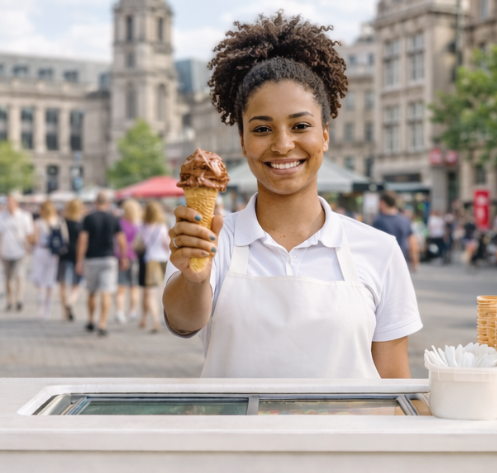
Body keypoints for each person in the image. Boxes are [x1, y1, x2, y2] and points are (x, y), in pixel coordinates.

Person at [164, 12, 421, 379]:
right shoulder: (214, 239)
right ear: (242, 141)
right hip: (235, 436)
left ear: (325, 135)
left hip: (349, 438)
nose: (283, 145)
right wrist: (193, 277)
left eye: (301, 126)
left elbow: (395, 385)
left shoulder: (379, 250)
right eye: (263, 128)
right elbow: (183, 322)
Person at [76, 190, 128, 336]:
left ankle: (91, 320)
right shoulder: (113, 219)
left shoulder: (88, 218)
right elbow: (121, 240)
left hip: (91, 259)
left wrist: (79, 260)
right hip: (108, 259)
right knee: (106, 292)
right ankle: (103, 323)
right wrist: (123, 257)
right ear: (108, 204)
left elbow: (83, 241)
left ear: (95, 203)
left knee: (91, 292)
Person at [0, 193, 35, 311]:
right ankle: (10, 300)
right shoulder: (0, 216)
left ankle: (19, 299)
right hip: (5, 250)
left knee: (19, 275)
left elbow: (30, 234)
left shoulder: (25, 216)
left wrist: (27, 243)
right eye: (7, 202)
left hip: (20, 251)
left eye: (11, 202)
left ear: (16, 203)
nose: (9, 204)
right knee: (8, 278)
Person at [33, 200, 68, 319]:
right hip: (54, 253)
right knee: (50, 282)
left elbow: (35, 239)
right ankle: (48, 310)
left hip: (41, 251)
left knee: (40, 282)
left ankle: (41, 309)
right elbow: (65, 239)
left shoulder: (38, 222)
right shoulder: (59, 221)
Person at [138, 200, 170, 332]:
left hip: (150, 260)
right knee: (161, 291)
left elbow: (140, 244)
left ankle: (153, 319)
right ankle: (157, 319)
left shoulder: (142, 227)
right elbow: (166, 244)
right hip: (163, 260)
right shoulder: (161, 227)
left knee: (149, 292)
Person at [371, 192, 418, 273]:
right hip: (401, 262)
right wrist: (415, 262)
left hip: (382, 264)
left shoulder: (378, 221)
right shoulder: (405, 220)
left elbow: (373, 243)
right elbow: (413, 243)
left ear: (382, 203)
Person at [58, 198, 86, 321]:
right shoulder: (82, 224)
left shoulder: (62, 221)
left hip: (63, 254)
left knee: (63, 284)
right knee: (77, 284)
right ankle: (71, 302)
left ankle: (64, 312)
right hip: (77, 255)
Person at [116, 199, 143, 324]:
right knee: (134, 286)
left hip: (121, 257)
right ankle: (132, 311)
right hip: (133, 257)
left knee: (121, 286)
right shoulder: (138, 225)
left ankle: (120, 312)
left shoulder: (120, 223)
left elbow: (117, 242)